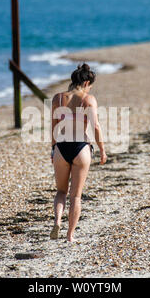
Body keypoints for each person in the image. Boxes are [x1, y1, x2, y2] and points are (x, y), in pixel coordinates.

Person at [50, 63, 107, 242]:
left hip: (61, 146)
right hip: (81, 148)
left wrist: (53, 149)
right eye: (90, 85)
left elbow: (53, 127)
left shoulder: (58, 98)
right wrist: (102, 150)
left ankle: (57, 221)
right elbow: (96, 127)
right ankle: (70, 235)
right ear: (86, 83)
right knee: (76, 195)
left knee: (61, 191)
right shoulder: (88, 99)